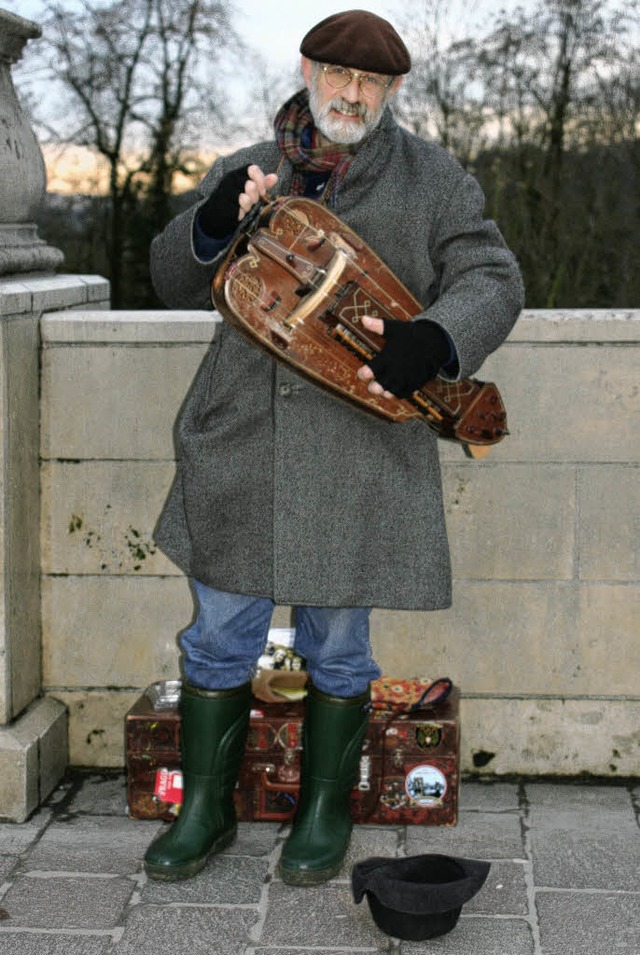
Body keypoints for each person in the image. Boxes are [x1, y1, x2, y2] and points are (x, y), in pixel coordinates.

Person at [143, 9, 524, 887]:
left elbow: (494, 276)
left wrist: (438, 335)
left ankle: (324, 811)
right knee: (217, 641)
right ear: (309, 70)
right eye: (340, 76)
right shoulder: (249, 168)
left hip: (359, 455)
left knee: (340, 651)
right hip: (238, 439)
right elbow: (169, 274)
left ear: (391, 91)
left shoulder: (433, 179)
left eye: (373, 83)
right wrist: (209, 221)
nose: (353, 95)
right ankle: (204, 809)